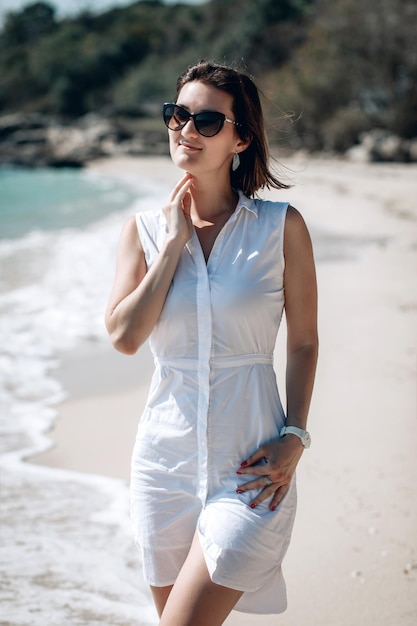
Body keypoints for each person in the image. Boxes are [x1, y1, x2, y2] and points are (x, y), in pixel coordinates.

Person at [105, 60, 318, 626]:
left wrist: (295, 433)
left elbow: (302, 342)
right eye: (178, 116)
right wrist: (173, 246)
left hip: (252, 469)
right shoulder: (145, 231)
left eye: (205, 120)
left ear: (240, 138)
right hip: (162, 467)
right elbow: (125, 337)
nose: (186, 131)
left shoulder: (280, 227)